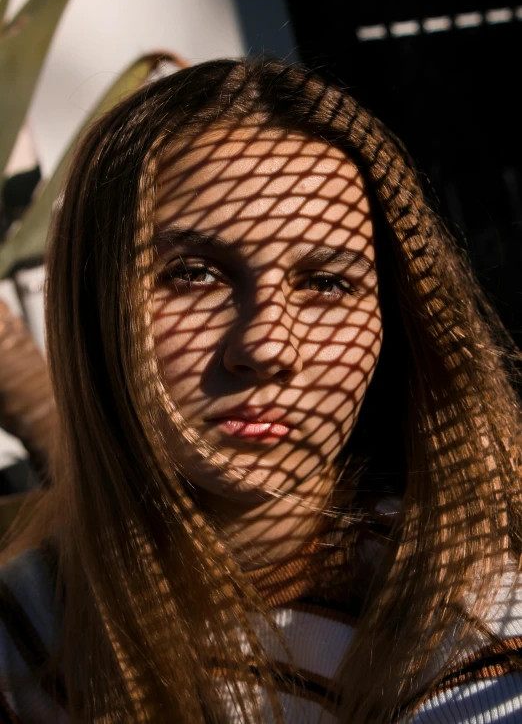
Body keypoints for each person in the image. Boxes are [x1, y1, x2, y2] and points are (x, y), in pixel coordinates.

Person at [1, 57, 522, 724]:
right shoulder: (29, 631)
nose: (269, 346)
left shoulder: (470, 628)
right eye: (194, 274)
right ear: (95, 306)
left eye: (328, 283)